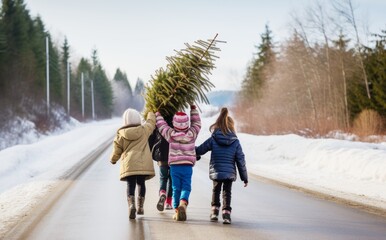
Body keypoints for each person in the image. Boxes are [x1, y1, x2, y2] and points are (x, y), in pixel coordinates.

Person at [195, 107, 248, 224]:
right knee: (227, 192)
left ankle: (214, 212)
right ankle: (226, 215)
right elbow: (241, 160)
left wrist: (188, 148)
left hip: (217, 170)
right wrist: (244, 177)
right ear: (232, 126)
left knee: (216, 190)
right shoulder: (235, 141)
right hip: (229, 173)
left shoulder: (214, 138)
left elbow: (200, 149)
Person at [155, 105, 201, 221]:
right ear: (187, 123)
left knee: (176, 188)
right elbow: (197, 123)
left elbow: (162, 126)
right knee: (186, 187)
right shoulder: (191, 134)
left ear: (174, 123)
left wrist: (158, 115)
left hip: (175, 167)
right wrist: (193, 109)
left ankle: (176, 211)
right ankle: (183, 204)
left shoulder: (171, 134)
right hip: (187, 166)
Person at [110, 108, 156, 220]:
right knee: (141, 183)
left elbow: (117, 149)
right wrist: (151, 112)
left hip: (129, 165)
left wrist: (113, 159)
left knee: (130, 185)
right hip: (142, 163)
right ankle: (140, 206)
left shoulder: (121, 135)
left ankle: (131, 205)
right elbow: (151, 122)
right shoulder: (144, 130)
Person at [148, 121, 173, 211]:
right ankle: (169, 203)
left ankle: (162, 193)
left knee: (163, 178)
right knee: (171, 180)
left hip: (161, 155)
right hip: (174, 155)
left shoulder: (158, 123)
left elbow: (151, 138)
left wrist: (149, 151)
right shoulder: (175, 122)